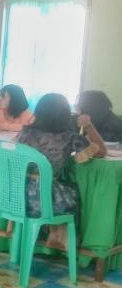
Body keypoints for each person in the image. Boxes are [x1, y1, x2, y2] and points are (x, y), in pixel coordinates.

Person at [16, 93, 106, 249]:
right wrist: (89, 126)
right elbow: (101, 151)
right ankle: (59, 238)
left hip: (17, 197)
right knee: (73, 194)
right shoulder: (70, 137)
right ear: (66, 115)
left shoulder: (25, 133)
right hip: (45, 201)